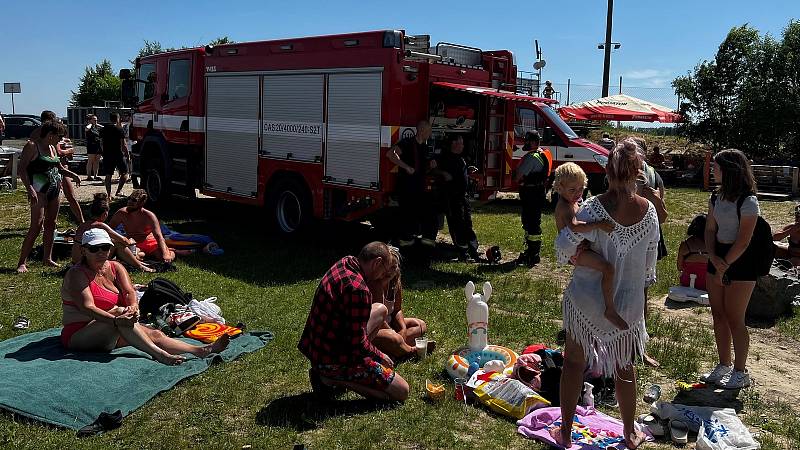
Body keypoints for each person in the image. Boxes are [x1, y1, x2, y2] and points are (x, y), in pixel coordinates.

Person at [552, 138, 659, 449]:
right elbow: (649, 266)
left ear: (608, 172)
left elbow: (564, 247)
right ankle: (629, 431)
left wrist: (579, 250)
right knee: (625, 366)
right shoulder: (648, 212)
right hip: (627, 300)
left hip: (586, 298)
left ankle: (567, 431)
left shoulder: (593, 208)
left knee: (573, 363)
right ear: (639, 172)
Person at [61, 228, 228, 365]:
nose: (100, 252)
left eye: (104, 247)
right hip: (80, 334)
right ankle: (160, 355)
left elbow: (129, 292)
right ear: (83, 250)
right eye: (94, 248)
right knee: (121, 312)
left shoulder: (115, 266)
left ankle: (200, 351)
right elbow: (87, 307)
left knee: (156, 334)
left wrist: (133, 307)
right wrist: (115, 319)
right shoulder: (76, 274)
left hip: (114, 327)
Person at [298, 242, 410, 402]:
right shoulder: (359, 290)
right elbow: (357, 343)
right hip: (333, 359)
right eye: (383, 271)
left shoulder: (346, 262)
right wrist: (380, 356)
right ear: (377, 262)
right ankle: (332, 379)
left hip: (319, 348)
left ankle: (331, 372)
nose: (382, 277)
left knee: (380, 309)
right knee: (401, 392)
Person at [701, 149, 759, 389]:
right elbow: (710, 229)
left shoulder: (749, 201)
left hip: (741, 262)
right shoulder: (716, 198)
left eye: (716, 167)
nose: (712, 171)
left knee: (735, 318)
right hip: (718, 257)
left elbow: (744, 239)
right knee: (718, 315)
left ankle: (740, 370)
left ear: (730, 170)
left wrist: (726, 264)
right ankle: (723, 364)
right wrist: (714, 257)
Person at [553, 162, 626, 330]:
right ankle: (610, 308)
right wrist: (598, 224)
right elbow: (575, 227)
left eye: (581, 189)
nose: (578, 194)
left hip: (581, 247)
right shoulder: (564, 206)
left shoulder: (574, 201)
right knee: (608, 268)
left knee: (607, 265)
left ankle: (605, 301)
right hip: (575, 252)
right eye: (572, 190)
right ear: (560, 187)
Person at [16, 121, 82, 273]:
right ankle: (22, 262)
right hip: (39, 189)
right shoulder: (33, 146)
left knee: (51, 224)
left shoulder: (52, 147)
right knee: (36, 225)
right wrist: (30, 189)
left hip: (54, 188)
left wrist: (72, 174)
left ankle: (47, 258)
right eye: (59, 137)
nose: (61, 140)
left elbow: (57, 167)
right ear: (50, 135)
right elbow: (22, 169)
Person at [367, 250, 433, 361]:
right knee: (393, 338)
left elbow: (397, 310)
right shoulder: (375, 285)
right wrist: (394, 333)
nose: (390, 272)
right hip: (376, 328)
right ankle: (410, 351)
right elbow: (379, 319)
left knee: (420, 325)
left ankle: (395, 347)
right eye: (388, 267)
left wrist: (402, 329)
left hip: (390, 323)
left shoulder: (395, 282)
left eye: (394, 267)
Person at [72, 193, 154, 272]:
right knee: (117, 243)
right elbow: (123, 240)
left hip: (76, 260)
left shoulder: (82, 225)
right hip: (85, 262)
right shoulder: (101, 225)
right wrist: (130, 241)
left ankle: (138, 263)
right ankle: (140, 266)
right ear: (105, 214)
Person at [387, 120, 437, 249]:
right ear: (421, 130)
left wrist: (431, 166)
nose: (430, 134)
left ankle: (422, 241)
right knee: (407, 214)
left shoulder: (425, 148)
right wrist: (406, 167)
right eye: (429, 131)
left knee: (423, 212)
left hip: (419, 186)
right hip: (407, 187)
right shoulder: (407, 143)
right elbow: (391, 154)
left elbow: (423, 167)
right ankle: (404, 244)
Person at [29, 110, 84, 223]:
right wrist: (69, 150)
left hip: (59, 167)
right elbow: (59, 152)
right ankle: (43, 224)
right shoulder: (43, 134)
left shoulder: (53, 134)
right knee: (44, 200)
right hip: (46, 170)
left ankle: (82, 222)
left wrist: (68, 151)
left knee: (69, 196)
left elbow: (66, 154)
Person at [434, 135, 481, 261]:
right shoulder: (446, 158)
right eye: (461, 143)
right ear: (453, 144)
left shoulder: (460, 158)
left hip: (462, 197)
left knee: (467, 223)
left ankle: (473, 249)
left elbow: (460, 171)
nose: (463, 145)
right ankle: (463, 252)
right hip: (453, 198)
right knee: (457, 224)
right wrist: (444, 173)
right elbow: (434, 170)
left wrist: (468, 169)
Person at [514, 131, 552, 266]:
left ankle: (532, 253)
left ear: (533, 142)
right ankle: (532, 251)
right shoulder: (543, 153)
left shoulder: (532, 157)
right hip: (538, 192)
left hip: (531, 193)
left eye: (527, 140)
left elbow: (518, 176)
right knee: (534, 221)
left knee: (530, 223)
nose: (525, 143)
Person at [109, 189, 175, 263]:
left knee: (165, 258)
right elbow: (109, 229)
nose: (129, 202)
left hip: (150, 242)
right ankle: (144, 254)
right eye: (129, 198)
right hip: (133, 243)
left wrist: (165, 254)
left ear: (141, 203)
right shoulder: (121, 213)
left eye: (134, 200)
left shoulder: (149, 216)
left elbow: (159, 236)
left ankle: (171, 252)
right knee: (132, 258)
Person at [100, 112, 129, 197]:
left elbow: (101, 143)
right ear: (117, 118)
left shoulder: (104, 129)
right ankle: (118, 191)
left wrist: (103, 152)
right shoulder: (119, 129)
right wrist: (127, 154)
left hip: (107, 154)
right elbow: (123, 144)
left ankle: (109, 194)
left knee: (108, 175)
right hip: (118, 154)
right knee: (124, 173)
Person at [677, 214, 709, 291]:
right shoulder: (713, 245)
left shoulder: (685, 244)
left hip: (687, 283)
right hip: (707, 284)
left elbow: (679, 267)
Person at [85, 114, 102, 181]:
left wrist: (96, 124)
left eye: (96, 119)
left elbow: (103, 127)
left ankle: (95, 175)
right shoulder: (89, 127)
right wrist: (91, 123)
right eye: (94, 119)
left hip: (98, 145)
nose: (96, 121)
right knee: (90, 160)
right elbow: (87, 128)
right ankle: (89, 175)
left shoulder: (96, 127)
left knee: (97, 161)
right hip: (91, 145)